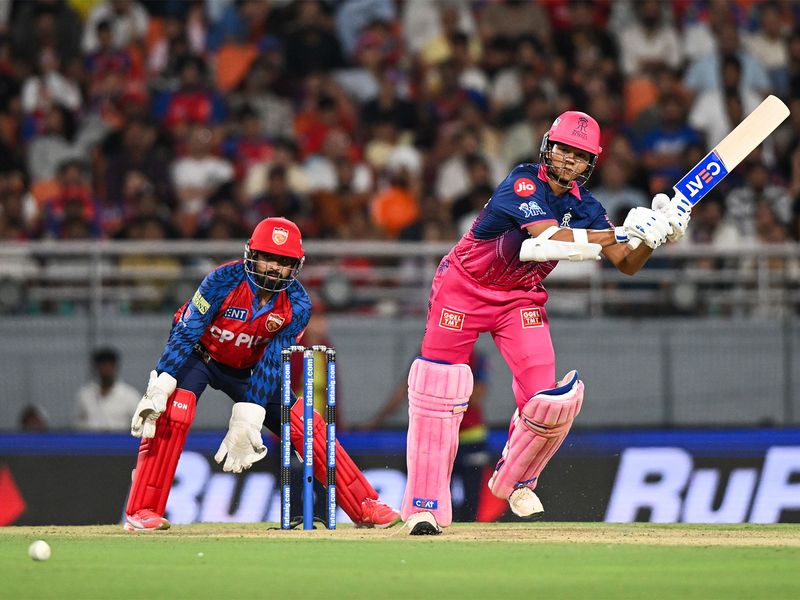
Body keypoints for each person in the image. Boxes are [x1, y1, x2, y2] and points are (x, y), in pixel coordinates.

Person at [401, 111, 691, 535]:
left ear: (590, 163)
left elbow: (626, 264)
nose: (570, 160)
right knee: (437, 391)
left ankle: (515, 481)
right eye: (564, 150)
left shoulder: (586, 206)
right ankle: (423, 506)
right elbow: (547, 237)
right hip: (464, 287)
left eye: (580, 155)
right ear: (548, 148)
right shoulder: (522, 182)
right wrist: (624, 232)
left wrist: (654, 237)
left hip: (519, 298)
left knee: (548, 401)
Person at [124, 216, 400, 531]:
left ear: (295, 266)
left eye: (284, 262)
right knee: (175, 413)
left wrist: (248, 417)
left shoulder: (297, 304)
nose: (274, 268)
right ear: (252, 255)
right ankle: (142, 509)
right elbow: (187, 331)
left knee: (306, 425)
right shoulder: (222, 280)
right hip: (200, 356)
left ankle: (365, 506)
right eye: (268, 257)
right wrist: (162, 382)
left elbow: (273, 361)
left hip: (249, 368)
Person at [364, 348, 491, 522]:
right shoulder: (427, 353)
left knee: (471, 498)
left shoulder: (474, 356)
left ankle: (468, 529)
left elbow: (478, 393)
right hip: (438, 435)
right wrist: (377, 421)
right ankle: (432, 520)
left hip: (470, 436)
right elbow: (407, 389)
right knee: (436, 490)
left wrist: (443, 394)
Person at [74, 347, 140, 430]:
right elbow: (77, 423)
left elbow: (141, 424)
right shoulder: (85, 395)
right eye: (103, 365)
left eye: (109, 365)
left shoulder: (130, 395)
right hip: (92, 437)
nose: (106, 369)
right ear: (96, 368)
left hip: (120, 437)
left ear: (115, 367)